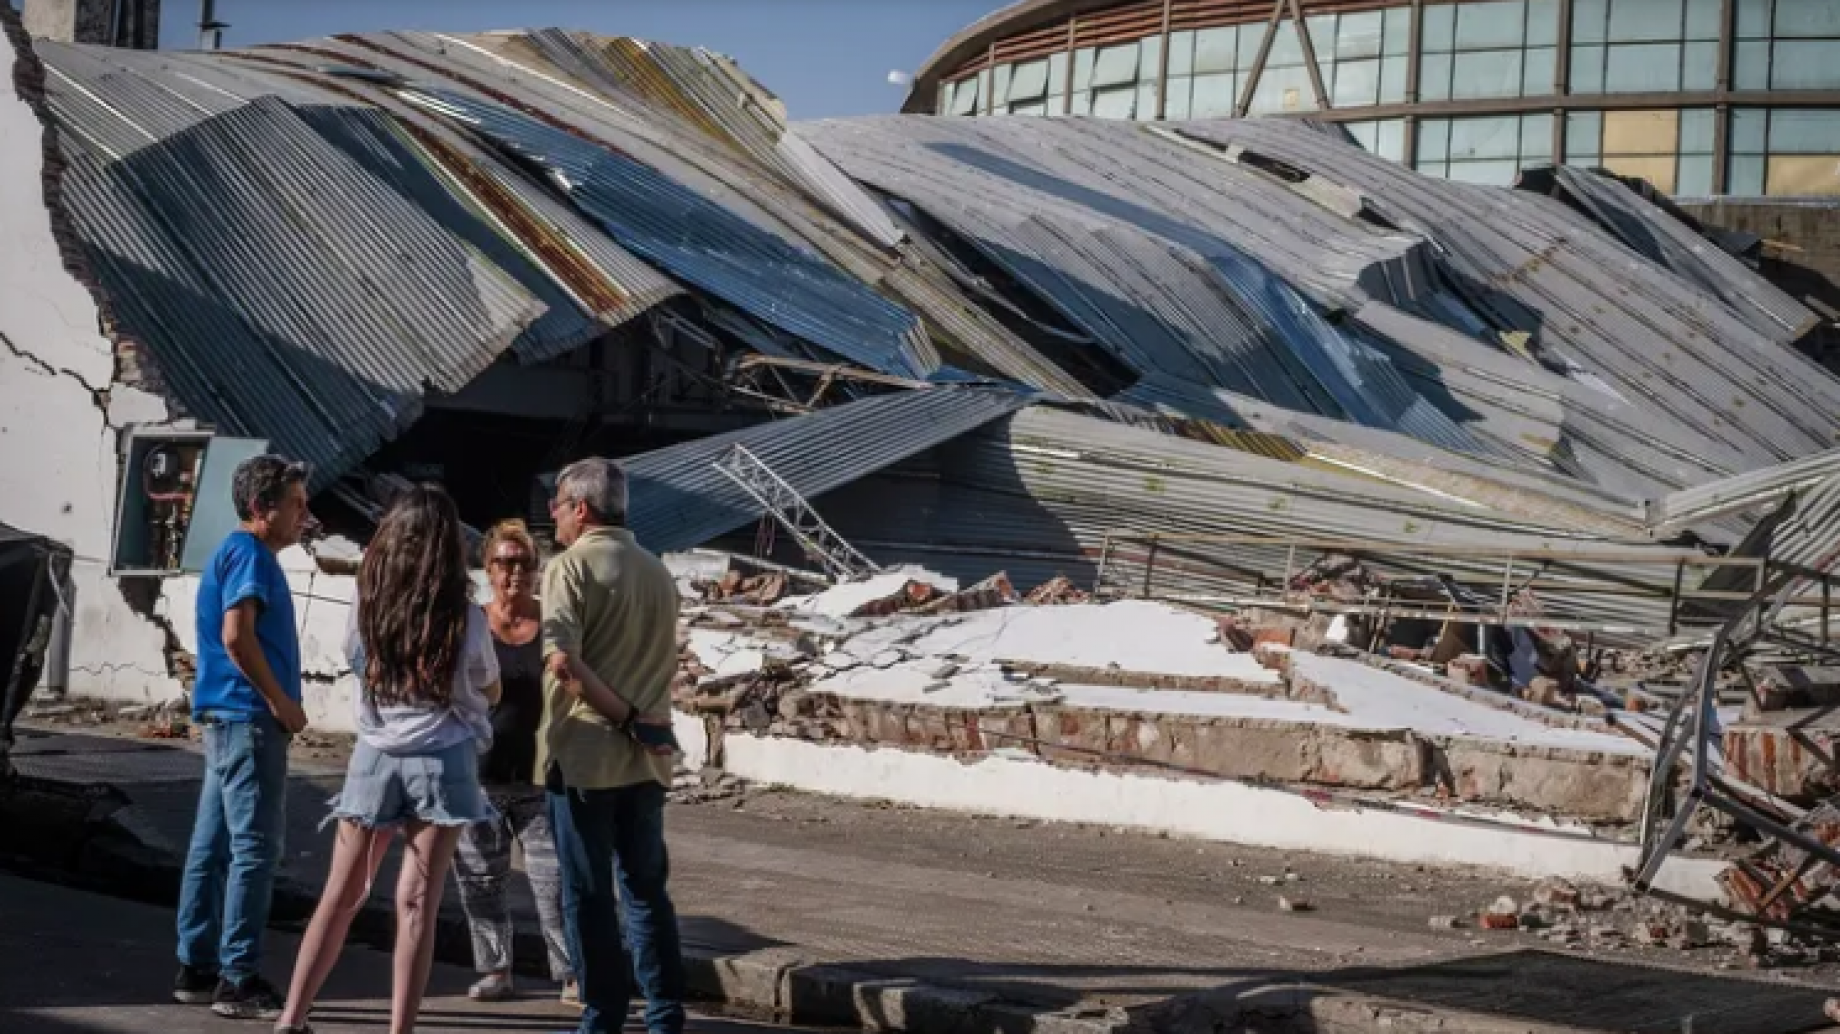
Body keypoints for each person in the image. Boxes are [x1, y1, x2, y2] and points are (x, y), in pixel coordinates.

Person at [274, 485, 500, 1034]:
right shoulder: (465, 618)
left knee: (342, 893)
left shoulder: (364, 601)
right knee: (417, 901)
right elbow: (486, 687)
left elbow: (353, 663)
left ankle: (292, 1016)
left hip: (375, 757)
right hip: (442, 761)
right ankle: (401, 1029)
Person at [541, 458, 685, 1034]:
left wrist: (622, 717)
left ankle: (602, 1018)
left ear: (581, 508)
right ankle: (665, 1015)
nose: (550, 514)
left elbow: (564, 662)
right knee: (647, 891)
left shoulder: (569, 568)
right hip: (649, 759)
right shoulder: (656, 570)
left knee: (589, 895)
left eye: (556, 503)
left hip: (585, 756)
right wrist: (639, 724)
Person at [174, 454, 312, 1021]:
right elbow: (237, 636)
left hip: (226, 718)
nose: (305, 515)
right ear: (261, 509)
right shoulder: (251, 554)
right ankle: (237, 977)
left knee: (213, 846)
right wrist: (281, 701)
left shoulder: (233, 552)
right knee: (253, 849)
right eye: (296, 505)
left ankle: (196, 965)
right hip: (248, 718)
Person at [452, 519, 576, 1005]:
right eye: (505, 562)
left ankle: (570, 973)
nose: (515, 572)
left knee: (553, 883)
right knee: (481, 882)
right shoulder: (472, 623)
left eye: (524, 562)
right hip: (479, 778)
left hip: (540, 779)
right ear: (488, 567)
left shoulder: (551, 626)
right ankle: (495, 970)